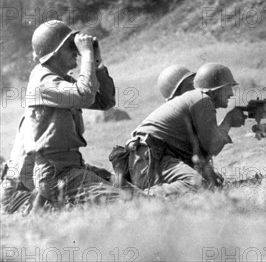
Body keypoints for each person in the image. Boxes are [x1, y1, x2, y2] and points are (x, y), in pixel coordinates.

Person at [20, 20, 125, 210]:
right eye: (71, 47)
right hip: (57, 174)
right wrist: (86, 54)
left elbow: (105, 101)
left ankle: (48, 204)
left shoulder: (60, 79)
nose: (75, 51)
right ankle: (49, 202)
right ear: (54, 52)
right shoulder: (43, 81)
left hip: (71, 168)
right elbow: (84, 95)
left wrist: (97, 62)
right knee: (127, 203)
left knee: (132, 191)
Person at [122, 63, 245, 197]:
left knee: (208, 184)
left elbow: (201, 151)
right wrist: (228, 121)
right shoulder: (202, 100)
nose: (232, 93)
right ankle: (141, 197)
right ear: (215, 89)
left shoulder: (196, 100)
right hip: (150, 159)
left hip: (146, 160)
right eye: (228, 88)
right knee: (198, 184)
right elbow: (212, 147)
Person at [0, 117, 35, 214]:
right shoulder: (36, 118)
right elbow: (24, 172)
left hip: (11, 190)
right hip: (19, 191)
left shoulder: (29, 115)